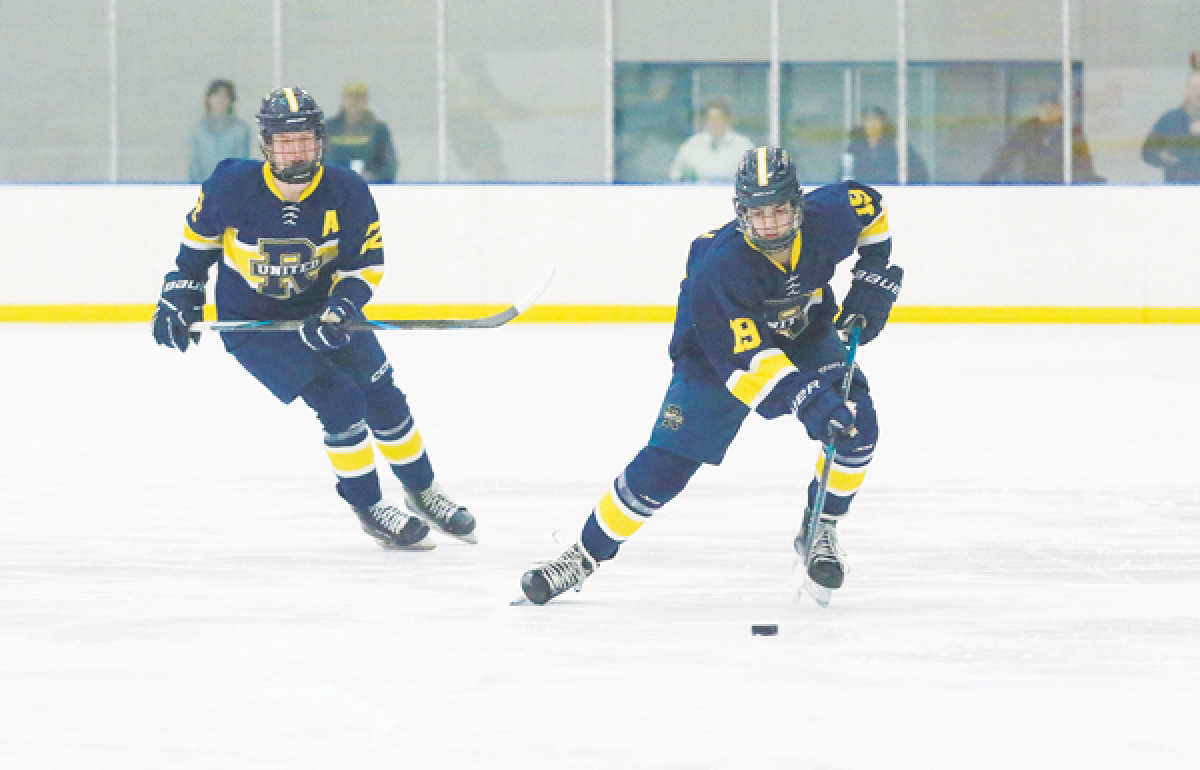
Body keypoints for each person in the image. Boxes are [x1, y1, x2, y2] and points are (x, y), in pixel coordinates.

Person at [518, 146, 904, 606]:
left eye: (780, 210)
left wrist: (871, 277)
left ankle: (820, 527)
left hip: (804, 328)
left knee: (857, 428)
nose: (770, 225)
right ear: (740, 214)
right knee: (666, 466)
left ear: (798, 205)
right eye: (757, 214)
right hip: (715, 350)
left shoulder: (832, 215)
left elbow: (871, 209)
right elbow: (751, 369)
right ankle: (582, 555)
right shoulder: (718, 270)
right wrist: (809, 399)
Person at [152, 87, 474, 549]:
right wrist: (179, 294)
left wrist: (339, 309)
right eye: (284, 140)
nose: (295, 149)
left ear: (319, 140)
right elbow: (194, 254)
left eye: (303, 138)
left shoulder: (347, 191)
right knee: (340, 402)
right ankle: (368, 506)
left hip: (326, 310)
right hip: (256, 325)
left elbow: (363, 268)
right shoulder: (231, 185)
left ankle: (422, 491)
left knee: (383, 395)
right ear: (265, 143)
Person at [980, 92, 1104, 184]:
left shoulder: (1072, 133)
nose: (1048, 112)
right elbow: (1007, 154)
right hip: (1032, 189)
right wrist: (993, 174)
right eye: (1043, 107)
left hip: (1059, 191)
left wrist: (1088, 181)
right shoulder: (1027, 129)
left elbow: (1084, 165)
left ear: (1061, 110)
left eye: (1053, 108)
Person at [668, 99, 756, 183]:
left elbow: (755, 177)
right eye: (710, 118)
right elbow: (676, 173)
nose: (714, 123)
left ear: (728, 119)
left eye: (718, 118)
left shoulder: (744, 145)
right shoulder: (693, 144)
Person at [324, 82, 398, 182]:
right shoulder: (328, 128)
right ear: (343, 99)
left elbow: (389, 163)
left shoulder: (378, 129)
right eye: (350, 97)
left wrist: (373, 176)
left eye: (359, 98)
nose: (354, 102)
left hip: (371, 187)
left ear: (366, 100)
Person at [188, 79, 255, 183]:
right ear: (208, 99)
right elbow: (194, 166)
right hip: (201, 188)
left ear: (232, 101)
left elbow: (240, 165)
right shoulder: (198, 131)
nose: (220, 100)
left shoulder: (240, 130)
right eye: (216, 95)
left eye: (225, 96)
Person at [841, 106, 928, 184]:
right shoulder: (855, 147)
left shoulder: (896, 144)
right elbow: (844, 172)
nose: (872, 124)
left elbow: (917, 171)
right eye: (868, 120)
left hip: (890, 190)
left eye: (876, 120)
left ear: (883, 123)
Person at [1141, 70, 1200, 183]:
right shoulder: (1170, 120)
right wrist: (1167, 158)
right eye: (1195, 88)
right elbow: (1148, 152)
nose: (1199, 92)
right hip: (1177, 189)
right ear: (1187, 91)